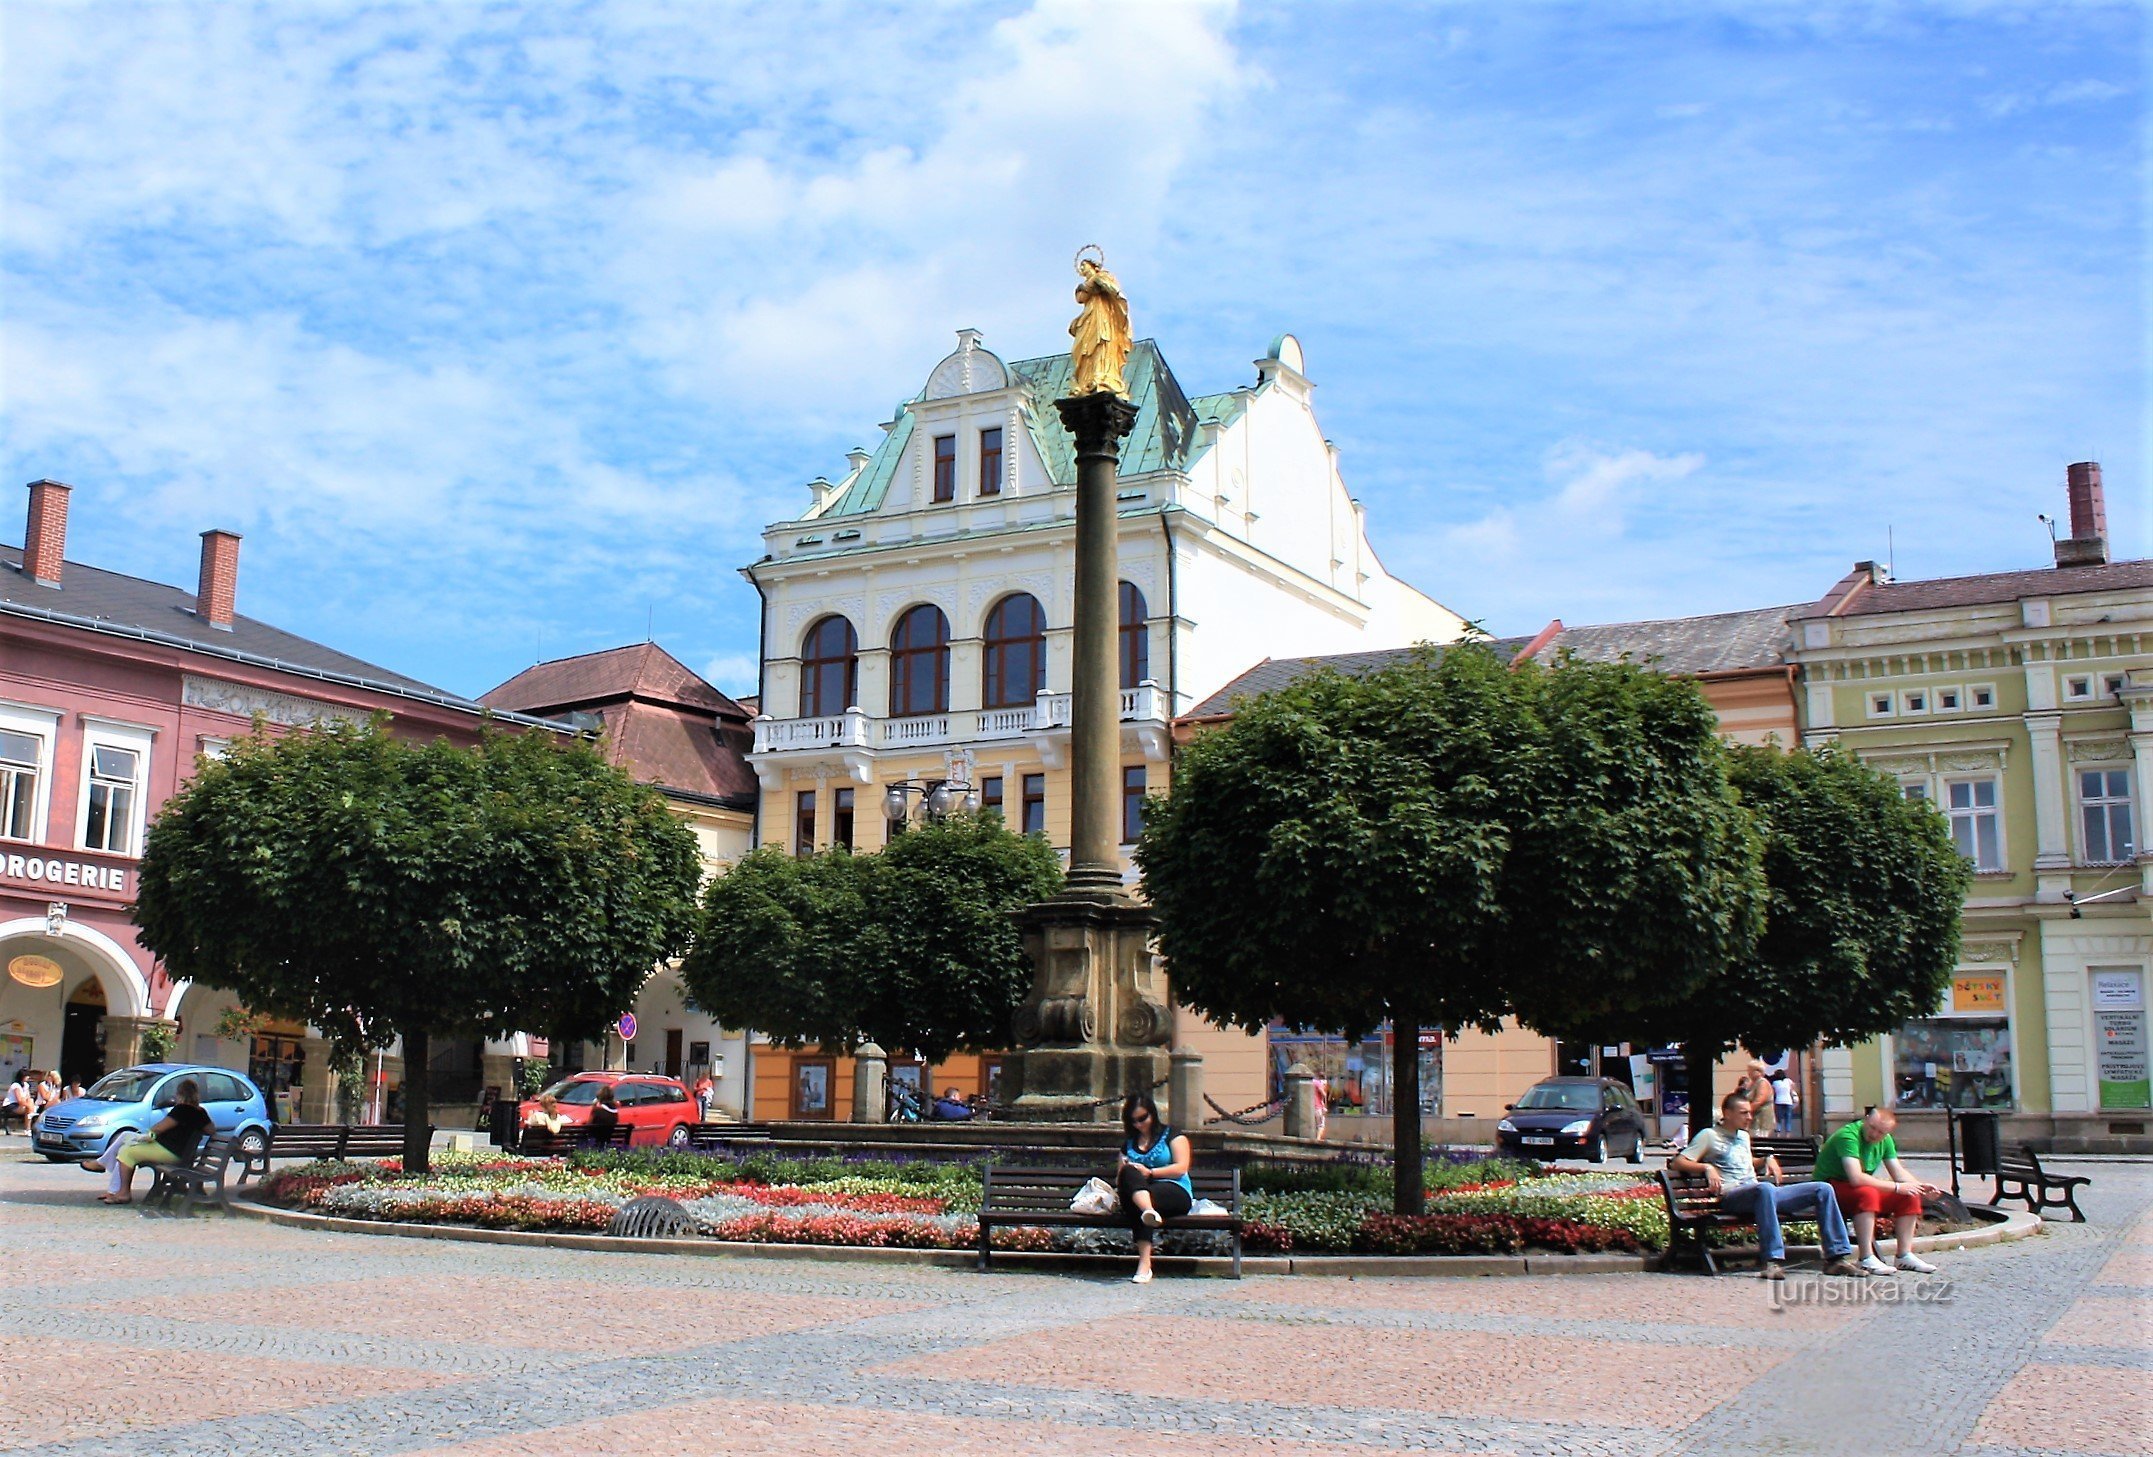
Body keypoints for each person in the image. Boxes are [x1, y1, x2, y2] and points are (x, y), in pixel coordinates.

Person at [1669, 1090, 1862, 1280]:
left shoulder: (1742, 1136)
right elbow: (1679, 1161)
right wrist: (1707, 1167)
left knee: (1822, 1189)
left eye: (1750, 1112)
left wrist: (1765, 1159)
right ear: (1727, 1113)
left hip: (1760, 1195)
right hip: (1732, 1196)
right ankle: (1772, 1260)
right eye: (1744, 1113)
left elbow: (1744, 1162)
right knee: (1765, 1189)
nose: (1749, 1117)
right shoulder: (1709, 1135)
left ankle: (1836, 1258)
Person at [1821, 1107, 1943, 1275]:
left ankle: (1904, 1255)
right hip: (1827, 1189)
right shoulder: (1848, 1136)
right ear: (1865, 1120)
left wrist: (1919, 1187)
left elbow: (1898, 1172)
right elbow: (1856, 1177)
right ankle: (1865, 1258)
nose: (1875, 1135)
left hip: (1854, 1188)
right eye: (1872, 1128)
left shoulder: (1885, 1140)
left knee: (1908, 1196)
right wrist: (1898, 1187)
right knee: (1867, 1193)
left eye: (1881, 1132)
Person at [83, 1078, 210, 1205]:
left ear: (180, 1094)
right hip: (179, 1152)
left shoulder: (182, 1109)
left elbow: (160, 1128)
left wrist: (151, 1132)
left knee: (127, 1152)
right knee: (125, 1136)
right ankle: (110, 1182)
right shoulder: (200, 1112)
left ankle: (123, 1193)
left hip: (170, 1152)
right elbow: (211, 1129)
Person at [1116, 1092, 1193, 1285]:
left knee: (1140, 1202)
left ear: (1152, 1114)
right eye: (1133, 1121)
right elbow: (1121, 1179)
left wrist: (1150, 1173)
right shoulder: (1128, 1145)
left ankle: (1144, 1263)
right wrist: (1129, 1170)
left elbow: (1181, 1167)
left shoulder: (1172, 1135)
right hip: (1140, 1195)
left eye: (1143, 1118)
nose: (1139, 1125)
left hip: (1173, 1190)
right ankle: (1148, 1211)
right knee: (1129, 1173)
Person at [1736, 1060, 1777, 1136]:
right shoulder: (1752, 1083)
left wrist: (1744, 1112)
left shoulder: (1762, 1082)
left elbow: (1759, 1101)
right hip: (1754, 1120)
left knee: (1760, 1141)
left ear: (1758, 1071)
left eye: (1750, 1070)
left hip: (1762, 1120)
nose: (1748, 1073)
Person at [1771, 1067, 1799, 1136]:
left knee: (1779, 1119)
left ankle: (1778, 1133)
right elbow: (1793, 1089)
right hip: (1788, 1101)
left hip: (1779, 1101)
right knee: (1788, 1118)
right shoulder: (1789, 1081)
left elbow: (1773, 1093)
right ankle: (1788, 1134)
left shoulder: (1775, 1083)